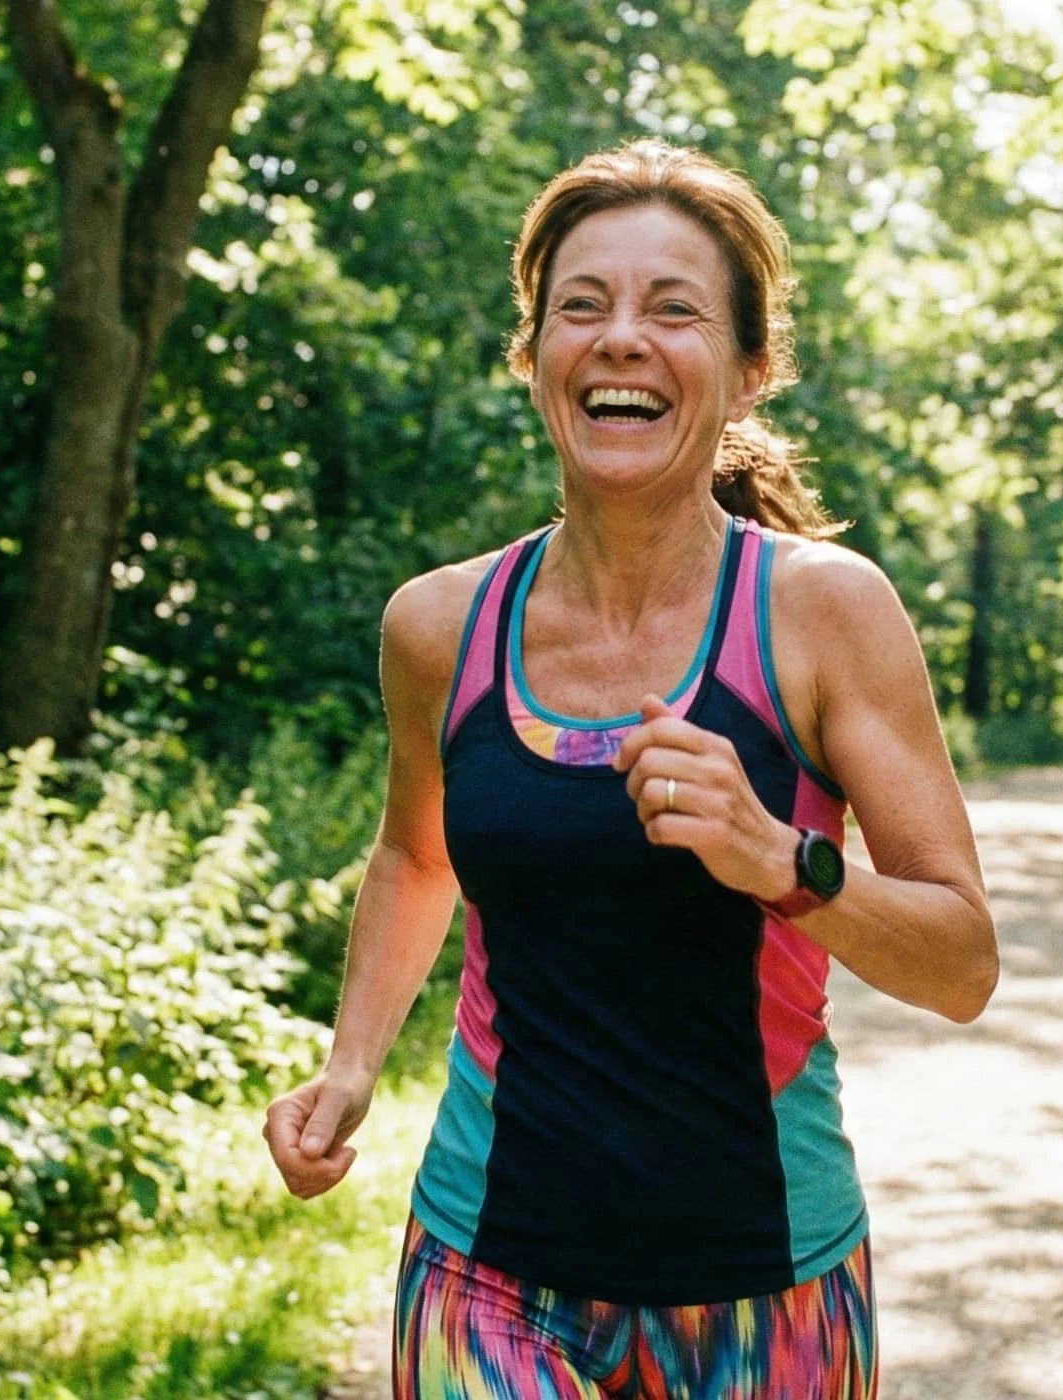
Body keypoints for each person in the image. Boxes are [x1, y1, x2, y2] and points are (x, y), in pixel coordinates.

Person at [263, 139, 997, 1400]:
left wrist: (779, 859)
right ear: (532, 352)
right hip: (485, 1266)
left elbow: (961, 960)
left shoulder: (823, 615)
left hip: (767, 1275)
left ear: (750, 368)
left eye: (673, 310)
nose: (619, 339)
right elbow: (415, 850)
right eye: (580, 305)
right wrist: (348, 1064)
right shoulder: (439, 626)